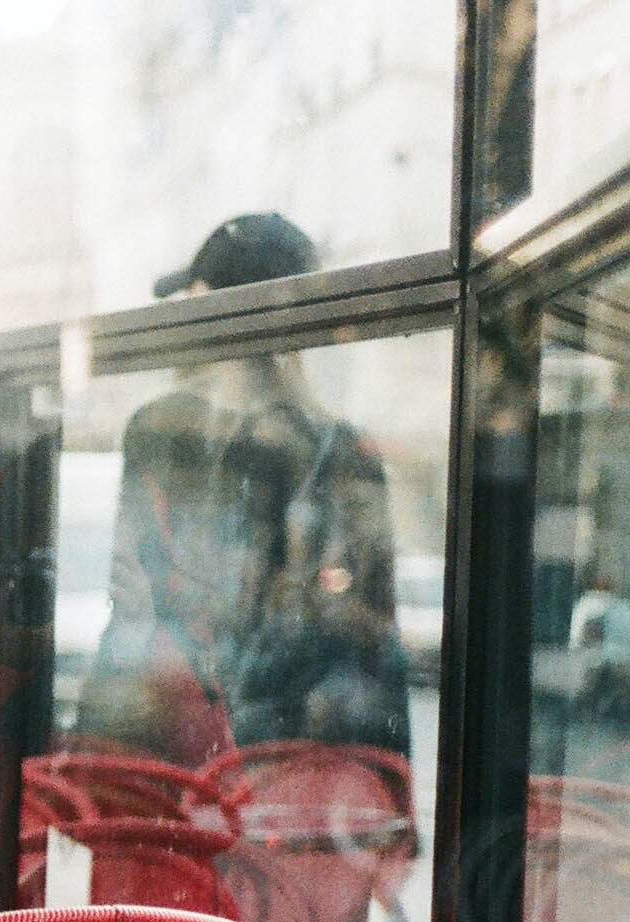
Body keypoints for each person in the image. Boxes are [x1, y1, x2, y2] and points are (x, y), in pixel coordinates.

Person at [75, 212, 410, 766]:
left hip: (171, 744)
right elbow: (374, 640)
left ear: (211, 305)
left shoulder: (158, 430)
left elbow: (132, 598)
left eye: (195, 299)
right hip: (284, 750)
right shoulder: (342, 449)